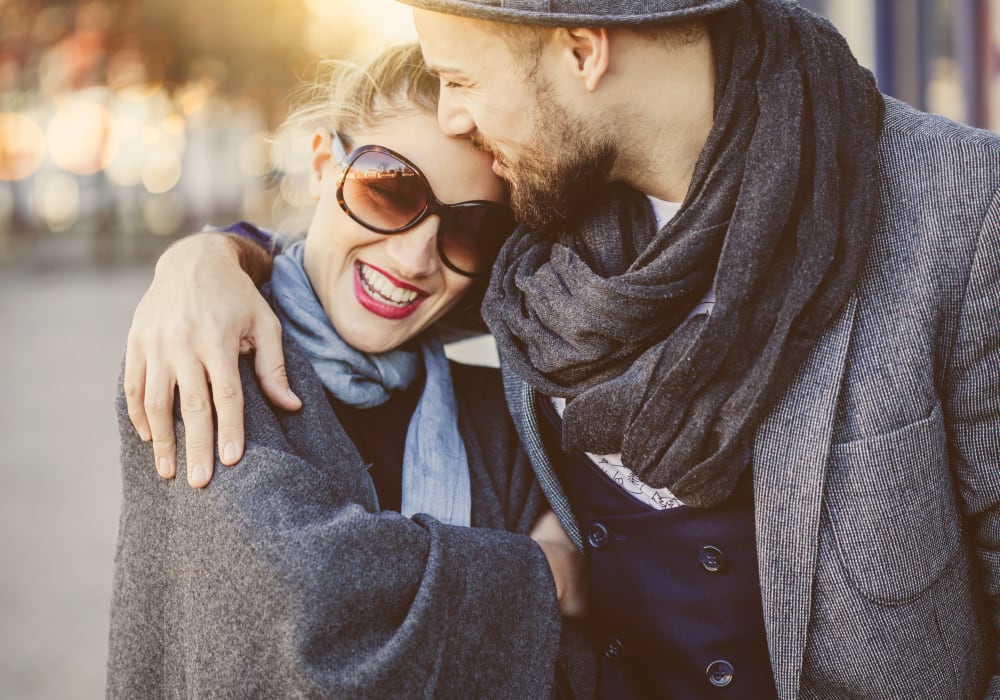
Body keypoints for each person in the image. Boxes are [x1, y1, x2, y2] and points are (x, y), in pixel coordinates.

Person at [123, 1, 1000, 698]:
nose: (458, 112)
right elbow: (355, 260)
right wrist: (208, 255)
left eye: (461, 75)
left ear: (583, 52)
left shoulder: (956, 209)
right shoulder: (545, 227)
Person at [108, 43, 596, 699]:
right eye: (390, 191)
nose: (416, 257)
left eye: (470, 231)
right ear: (320, 166)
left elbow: (577, 661)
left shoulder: (498, 419)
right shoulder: (202, 353)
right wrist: (543, 572)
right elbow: (310, 602)